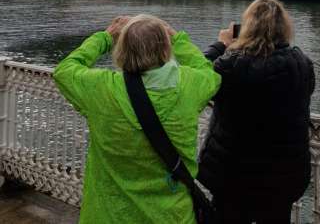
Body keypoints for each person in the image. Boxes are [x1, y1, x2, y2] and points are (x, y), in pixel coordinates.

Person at [53, 14, 221, 224]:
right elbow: (207, 70)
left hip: (110, 215)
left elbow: (64, 70)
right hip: (171, 216)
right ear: (165, 49)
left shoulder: (102, 89)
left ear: (122, 50)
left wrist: (105, 37)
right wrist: (177, 39)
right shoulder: (190, 85)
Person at [199, 0, 315, 224]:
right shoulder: (301, 64)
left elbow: (199, 78)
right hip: (283, 176)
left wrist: (221, 45)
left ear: (247, 28)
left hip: (233, 174)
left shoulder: (230, 66)